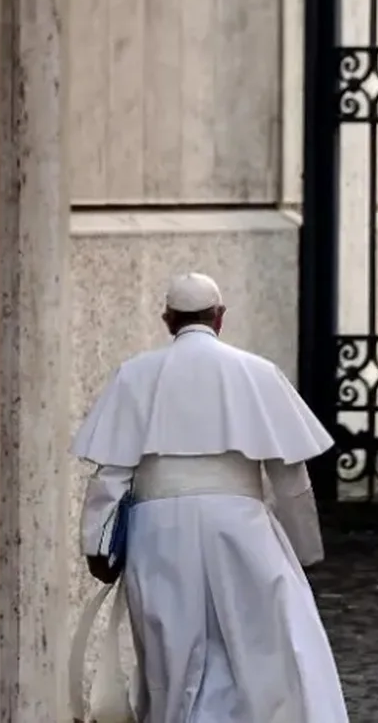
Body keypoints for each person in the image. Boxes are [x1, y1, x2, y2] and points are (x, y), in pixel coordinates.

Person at [72, 272, 348, 723]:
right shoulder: (258, 373)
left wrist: (96, 548)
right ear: (220, 318)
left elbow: (111, 475)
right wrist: (302, 550)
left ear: (168, 320)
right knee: (258, 654)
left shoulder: (135, 374)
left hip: (159, 532)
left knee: (172, 660)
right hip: (240, 527)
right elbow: (289, 474)